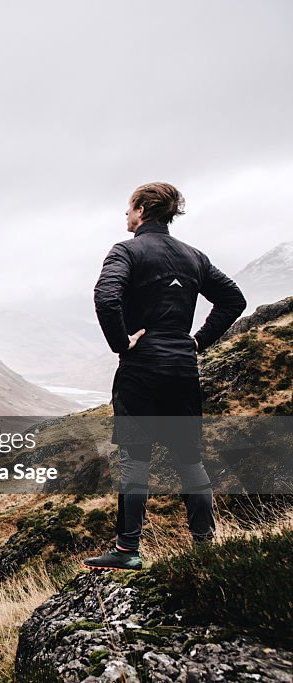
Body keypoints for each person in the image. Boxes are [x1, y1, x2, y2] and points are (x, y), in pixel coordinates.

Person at [83, 182, 246, 571]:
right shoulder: (194, 257)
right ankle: (206, 548)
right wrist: (197, 342)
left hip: (141, 368)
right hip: (182, 368)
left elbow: (106, 297)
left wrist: (122, 343)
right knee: (190, 459)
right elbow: (234, 300)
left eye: (128, 208)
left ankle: (127, 550)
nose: (125, 215)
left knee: (135, 458)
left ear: (141, 209)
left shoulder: (126, 251)